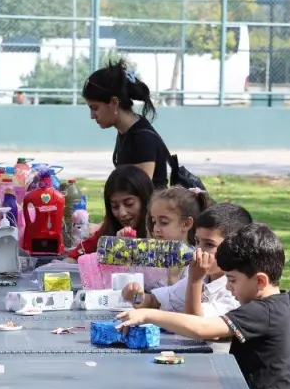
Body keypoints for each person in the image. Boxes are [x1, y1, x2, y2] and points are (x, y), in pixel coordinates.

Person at [117, 223, 290, 389]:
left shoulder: (263, 311)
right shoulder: (275, 305)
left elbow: (202, 329)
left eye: (232, 281)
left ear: (260, 281)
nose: (230, 289)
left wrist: (149, 314)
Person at [125, 201, 250, 320]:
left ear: (235, 248)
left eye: (209, 244)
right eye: (197, 242)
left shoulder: (235, 291)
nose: (198, 250)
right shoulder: (204, 279)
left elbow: (196, 326)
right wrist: (136, 296)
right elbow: (154, 301)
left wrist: (195, 281)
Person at [83, 59, 171, 187]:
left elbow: (138, 197)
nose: (92, 116)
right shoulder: (126, 132)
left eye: (94, 108)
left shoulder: (142, 139)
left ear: (114, 103)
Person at [65, 166, 153, 258]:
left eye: (129, 204)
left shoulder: (160, 232)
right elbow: (74, 256)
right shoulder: (107, 233)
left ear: (145, 200)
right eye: (115, 206)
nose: (122, 213)